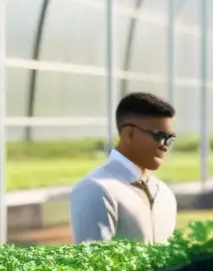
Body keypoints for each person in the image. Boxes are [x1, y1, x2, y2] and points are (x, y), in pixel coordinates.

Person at [70, 92, 178, 244]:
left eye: (169, 138)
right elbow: (94, 263)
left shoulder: (163, 192)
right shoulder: (96, 189)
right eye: (159, 136)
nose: (164, 146)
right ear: (129, 134)